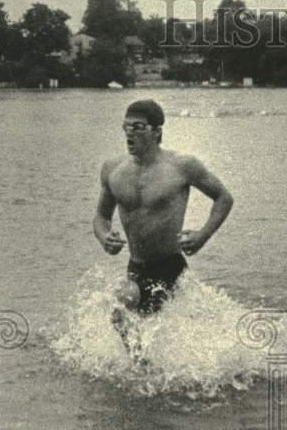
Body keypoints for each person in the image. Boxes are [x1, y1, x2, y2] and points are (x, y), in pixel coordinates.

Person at [93, 100, 233, 352]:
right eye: (126, 127)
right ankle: (139, 372)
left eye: (138, 127)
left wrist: (202, 236)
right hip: (136, 266)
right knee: (121, 313)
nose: (130, 133)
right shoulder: (113, 170)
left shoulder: (181, 166)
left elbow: (223, 198)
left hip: (171, 266)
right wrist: (105, 238)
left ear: (157, 131)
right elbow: (101, 216)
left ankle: (150, 374)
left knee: (167, 335)